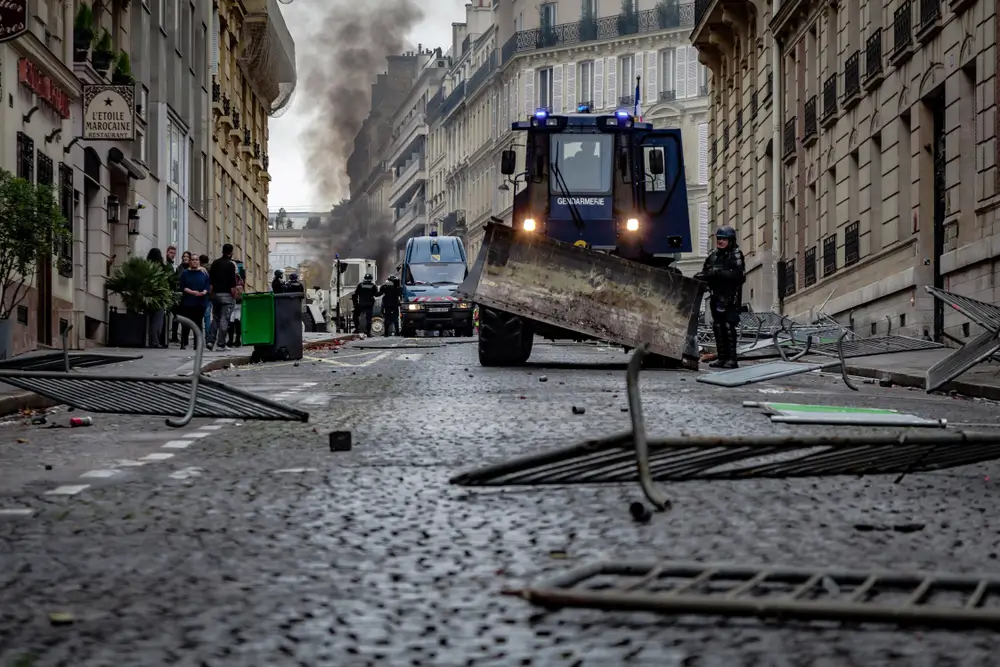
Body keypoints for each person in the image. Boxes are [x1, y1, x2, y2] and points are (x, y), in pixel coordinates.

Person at [694, 225, 745, 369]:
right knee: (717, 326)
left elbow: (738, 275)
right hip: (715, 295)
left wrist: (717, 273)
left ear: (731, 240)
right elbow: (706, 272)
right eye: (719, 238)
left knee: (728, 326)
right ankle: (722, 357)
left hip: (729, 296)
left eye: (724, 239)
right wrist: (701, 278)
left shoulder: (736, 254)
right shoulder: (713, 255)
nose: (720, 241)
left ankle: (732, 359)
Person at [208, 243, 239, 352]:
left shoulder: (215, 263)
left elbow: (211, 282)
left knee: (215, 318)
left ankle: (210, 341)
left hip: (215, 295)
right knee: (224, 320)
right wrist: (233, 297)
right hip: (226, 295)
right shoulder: (231, 265)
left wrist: (211, 294)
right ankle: (221, 344)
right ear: (231, 253)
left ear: (222, 251)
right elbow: (233, 284)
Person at [177, 255, 210, 350]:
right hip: (188, 301)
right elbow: (183, 287)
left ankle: (198, 344)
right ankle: (184, 343)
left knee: (198, 323)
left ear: (199, 261)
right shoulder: (185, 273)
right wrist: (192, 292)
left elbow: (207, 286)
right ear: (190, 262)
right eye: (193, 260)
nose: (194, 261)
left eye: (196, 260)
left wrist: (204, 292)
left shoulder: (204, 273)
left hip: (201, 301)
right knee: (187, 322)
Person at [145, 248, 169, 348]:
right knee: (158, 321)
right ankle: (155, 341)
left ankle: (147, 340)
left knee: (148, 320)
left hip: (148, 295)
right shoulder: (162, 267)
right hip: (159, 296)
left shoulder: (146, 266)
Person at [170, 251, 191, 343]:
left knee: (186, 317)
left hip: (189, 295)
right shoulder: (179, 268)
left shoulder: (191, 269)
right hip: (179, 294)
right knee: (177, 316)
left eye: (187, 257)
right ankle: (174, 335)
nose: (185, 258)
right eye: (184, 256)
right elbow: (176, 279)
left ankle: (184, 337)